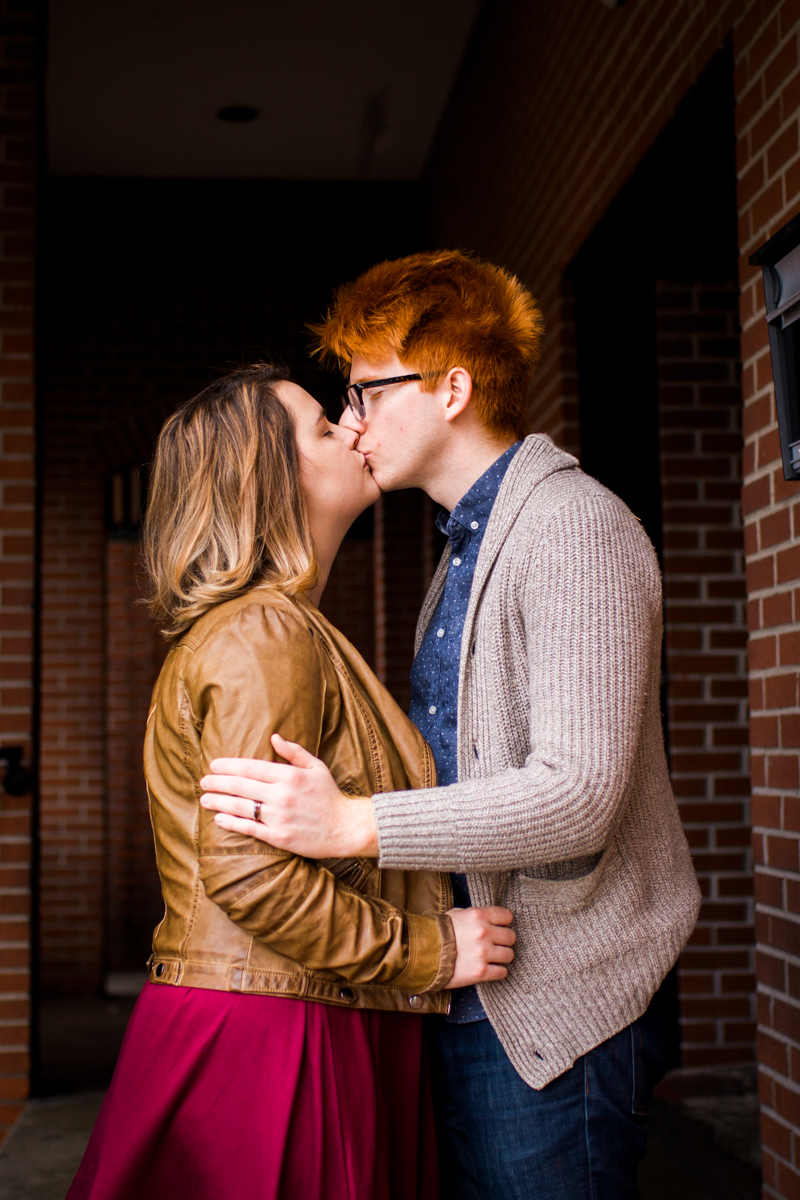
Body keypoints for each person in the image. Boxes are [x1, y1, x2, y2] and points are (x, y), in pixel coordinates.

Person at [200, 252, 703, 1200]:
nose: (350, 424)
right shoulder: (468, 548)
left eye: (364, 393)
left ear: (451, 389)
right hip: (476, 992)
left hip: (559, 1012)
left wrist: (358, 822)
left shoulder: (569, 527)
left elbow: (578, 794)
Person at [66, 362, 517, 1200]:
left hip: (288, 1009)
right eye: (322, 426)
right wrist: (432, 949)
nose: (353, 428)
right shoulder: (263, 633)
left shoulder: (273, 626)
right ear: (270, 480)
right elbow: (249, 872)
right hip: (274, 1032)